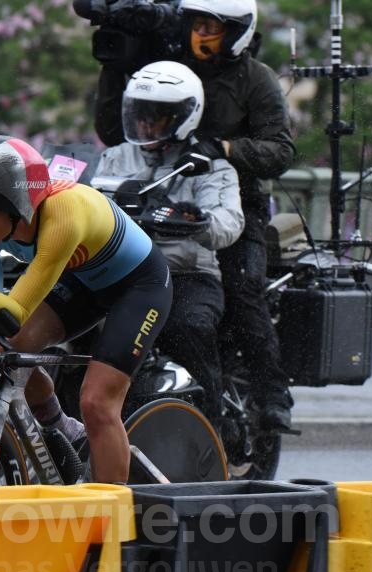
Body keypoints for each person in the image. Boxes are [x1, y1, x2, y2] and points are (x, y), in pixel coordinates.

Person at [0, 134, 172, 483]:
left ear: (17, 205)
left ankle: (109, 522)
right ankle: (58, 425)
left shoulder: (62, 214)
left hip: (138, 286)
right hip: (83, 278)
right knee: (8, 348)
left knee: (96, 403)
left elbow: (13, 310)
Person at [94, 0, 297, 431]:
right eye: (195, 25)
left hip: (231, 196)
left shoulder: (256, 80)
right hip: (159, 194)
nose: (200, 35)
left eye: (212, 27)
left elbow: (281, 150)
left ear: (237, 31)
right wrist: (116, 62)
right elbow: (119, 129)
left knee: (243, 287)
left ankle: (269, 392)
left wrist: (224, 150)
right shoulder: (170, 60)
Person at [92, 60, 243, 426]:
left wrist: (196, 220)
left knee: (187, 327)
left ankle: (212, 427)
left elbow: (229, 222)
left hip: (185, 273)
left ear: (183, 117)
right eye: (138, 114)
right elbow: (84, 195)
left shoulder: (209, 166)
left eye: (155, 116)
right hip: (123, 271)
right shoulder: (113, 157)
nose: (144, 123)